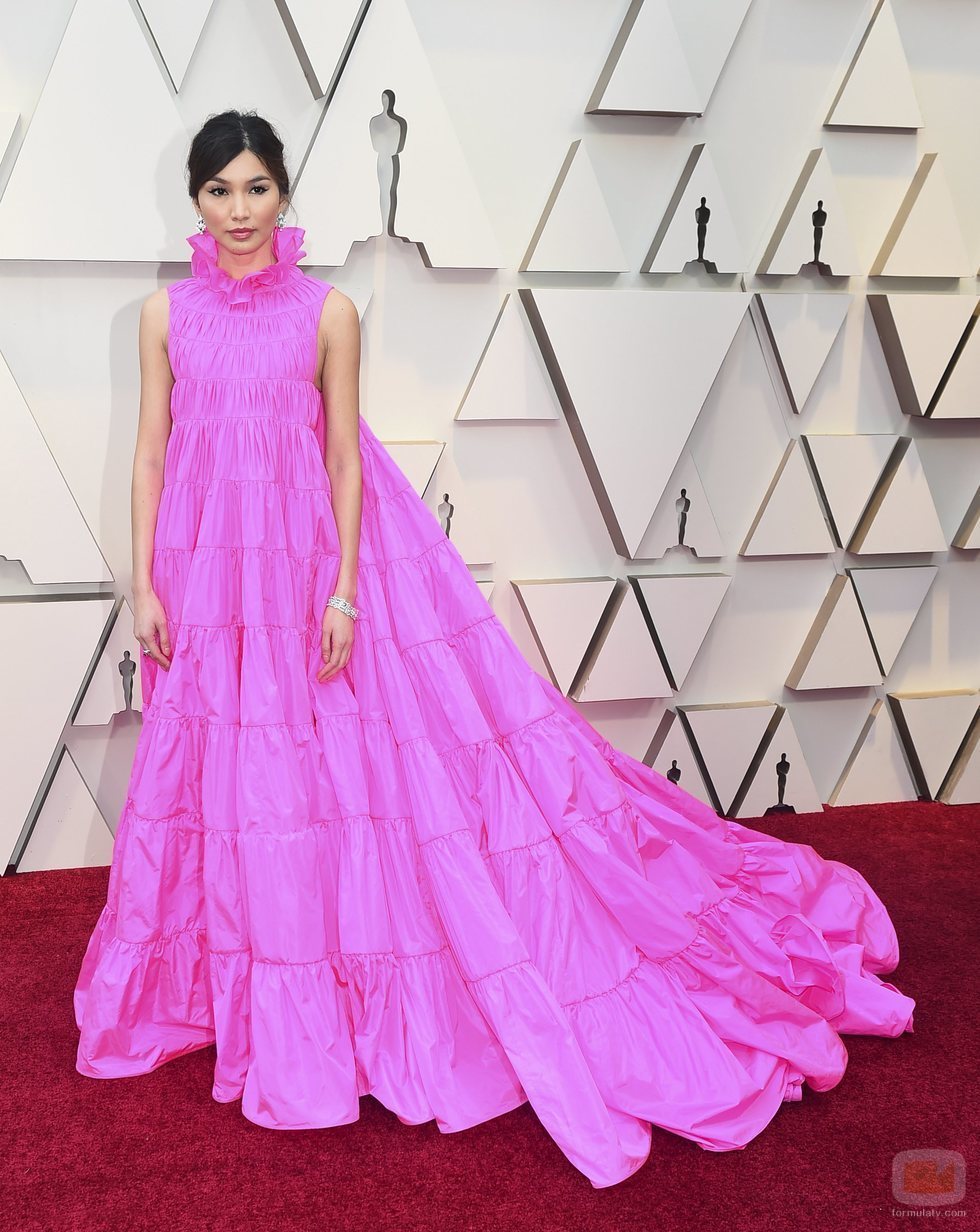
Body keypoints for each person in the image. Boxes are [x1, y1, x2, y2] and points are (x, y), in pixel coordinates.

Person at [73, 110, 915, 1190]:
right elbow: (151, 453)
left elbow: (340, 459)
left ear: (284, 196)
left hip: (307, 564)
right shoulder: (161, 315)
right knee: (239, 776)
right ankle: (244, 983)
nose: (238, 213)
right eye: (218, 193)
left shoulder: (328, 313)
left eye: (256, 190)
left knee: (334, 773)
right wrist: (144, 581)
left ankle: (339, 987)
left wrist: (339, 591)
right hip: (207, 570)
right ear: (193, 201)